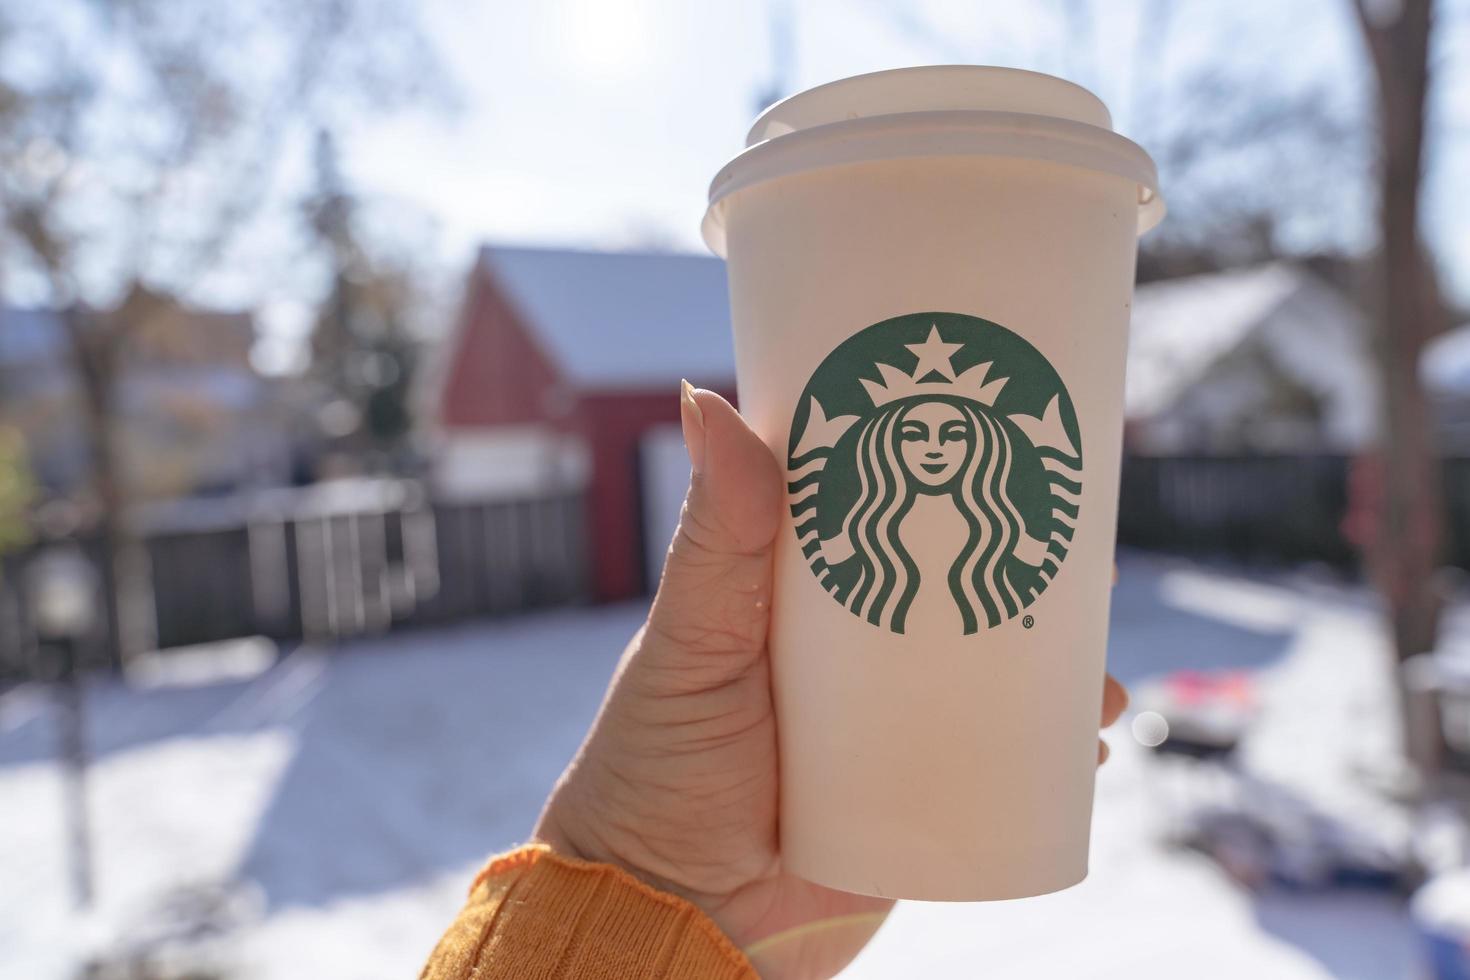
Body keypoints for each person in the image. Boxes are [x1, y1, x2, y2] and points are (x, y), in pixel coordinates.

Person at [420, 384, 1129, 980]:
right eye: (915, 432)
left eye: (954, 433)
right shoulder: (871, 539)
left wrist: (654, 897)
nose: (935, 450)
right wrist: (649, 881)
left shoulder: (996, 541)